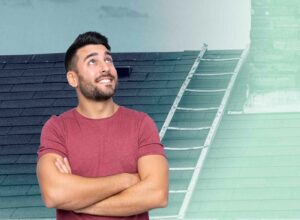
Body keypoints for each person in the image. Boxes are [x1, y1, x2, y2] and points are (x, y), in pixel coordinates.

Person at [36, 31, 169, 220]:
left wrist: (78, 202)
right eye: (92, 61)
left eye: (108, 60)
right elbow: (55, 194)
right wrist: (127, 180)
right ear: (73, 78)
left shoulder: (141, 124)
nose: (105, 67)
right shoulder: (57, 128)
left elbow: (157, 194)